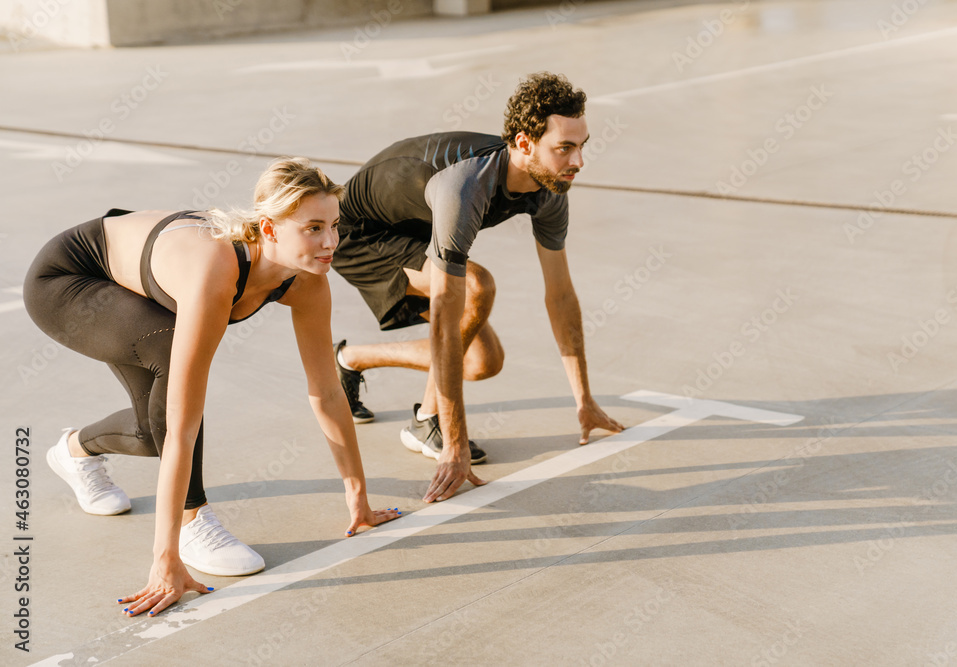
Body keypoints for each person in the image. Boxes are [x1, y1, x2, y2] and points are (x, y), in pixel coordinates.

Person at [23, 158, 401, 618]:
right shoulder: (215, 271)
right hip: (70, 281)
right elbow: (183, 425)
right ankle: (192, 520)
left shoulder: (306, 281)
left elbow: (325, 390)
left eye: (335, 225)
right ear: (269, 228)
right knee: (169, 384)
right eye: (313, 228)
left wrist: (357, 498)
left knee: (150, 431)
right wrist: (166, 562)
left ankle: (74, 452)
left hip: (138, 284)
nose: (330, 243)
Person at [330, 72, 625, 504]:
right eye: (565, 147)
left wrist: (584, 400)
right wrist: (456, 444)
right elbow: (447, 322)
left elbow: (560, 295)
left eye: (582, 146)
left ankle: (349, 359)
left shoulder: (549, 188)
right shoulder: (465, 186)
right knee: (475, 286)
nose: (578, 161)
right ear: (524, 144)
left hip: (418, 225)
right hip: (359, 233)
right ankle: (427, 422)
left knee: (483, 361)